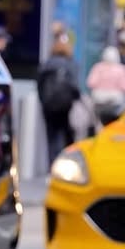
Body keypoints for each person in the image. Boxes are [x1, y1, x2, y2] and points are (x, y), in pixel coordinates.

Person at [36, 26, 81, 162]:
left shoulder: (47, 64)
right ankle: (65, 164)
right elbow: (75, 86)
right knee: (67, 135)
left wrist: (43, 100)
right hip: (65, 105)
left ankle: (52, 165)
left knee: (51, 137)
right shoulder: (70, 64)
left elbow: (39, 83)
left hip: (49, 105)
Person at [85, 44, 125, 123]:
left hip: (98, 101)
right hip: (115, 103)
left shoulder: (98, 67)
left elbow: (90, 83)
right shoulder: (122, 69)